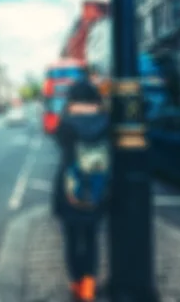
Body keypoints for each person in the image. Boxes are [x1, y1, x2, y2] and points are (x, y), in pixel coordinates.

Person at [52, 80, 110, 302]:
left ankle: (75, 285)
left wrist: (67, 110)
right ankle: (88, 287)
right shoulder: (105, 121)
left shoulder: (66, 122)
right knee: (92, 238)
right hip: (96, 187)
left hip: (70, 189)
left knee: (71, 239)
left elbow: (59, 141)